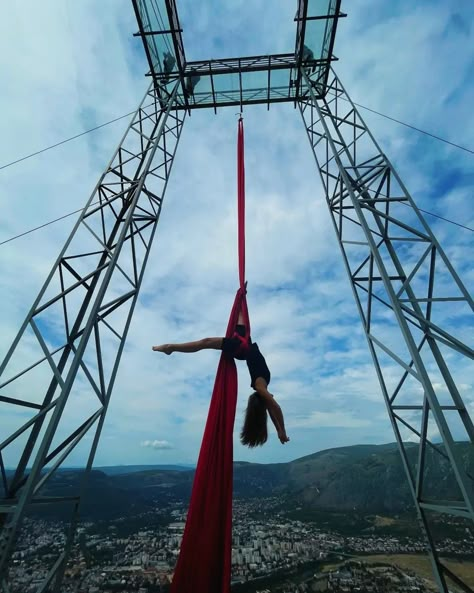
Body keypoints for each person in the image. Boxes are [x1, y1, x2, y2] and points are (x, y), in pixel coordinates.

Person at [152, 311, 289, 447]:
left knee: (206, 342)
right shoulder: (263, 386)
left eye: (269, 399)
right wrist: (279, 431)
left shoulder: (260, 386)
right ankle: (242, 292)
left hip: (241, 347)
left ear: (263, 400)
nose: (272, 397)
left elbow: (275, 407)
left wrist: (282, 430)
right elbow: (272, 410)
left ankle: (171, 348)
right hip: (244, 342)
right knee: (240, 311)